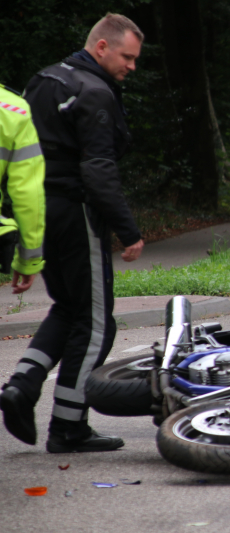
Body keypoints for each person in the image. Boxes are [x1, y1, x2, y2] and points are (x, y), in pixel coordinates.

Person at [0, 13, 145, 453]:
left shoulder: (42, 81)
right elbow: (98, 171)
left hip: (40, 210)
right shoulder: (95, 91)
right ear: (101, 47)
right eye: (127, 57)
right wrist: (128, 230)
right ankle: (68, 426)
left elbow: (19, 162)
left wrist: (23, 230)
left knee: (68, 309)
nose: (132, 67)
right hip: (76, 213)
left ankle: (21, 385)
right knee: (98, 324)